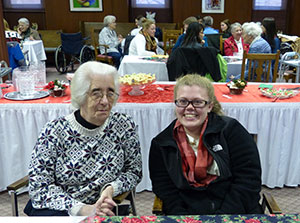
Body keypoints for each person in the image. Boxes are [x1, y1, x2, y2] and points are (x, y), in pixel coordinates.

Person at [25, 61, 142, 216]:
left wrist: (111, 188)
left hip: (103, 208)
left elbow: (134, 171)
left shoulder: (124, 125)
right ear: (81, 94)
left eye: (110, 92)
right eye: (96, 93)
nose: (105, 101)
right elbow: (39, 187)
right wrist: (82, 209)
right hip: (60, 210)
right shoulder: (54, 131)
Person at [149, 74, 262, 215]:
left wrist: (221, 218)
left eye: (197, 102)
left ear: (210, 106)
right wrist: (184, 218)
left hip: (234, 211)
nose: (189, 108)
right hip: (187, 213)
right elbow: (165, 190)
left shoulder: (232, 131)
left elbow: (248, 181)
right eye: (183, 101)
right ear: (175, 104)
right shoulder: (161, 143)